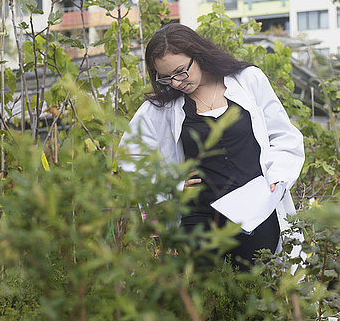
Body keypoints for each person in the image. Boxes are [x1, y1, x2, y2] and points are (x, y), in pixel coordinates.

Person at [120, 23, 304, 268]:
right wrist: (170, 183)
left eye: (179, 72)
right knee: (210, 298)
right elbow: (128, 154)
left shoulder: (248, 80)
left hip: (257, 212)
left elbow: (283, 135)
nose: (175, 83)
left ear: (198, 55)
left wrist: (277, 176)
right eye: (165, 77)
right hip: (200, 222)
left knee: (261, 289)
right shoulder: (161, 109)